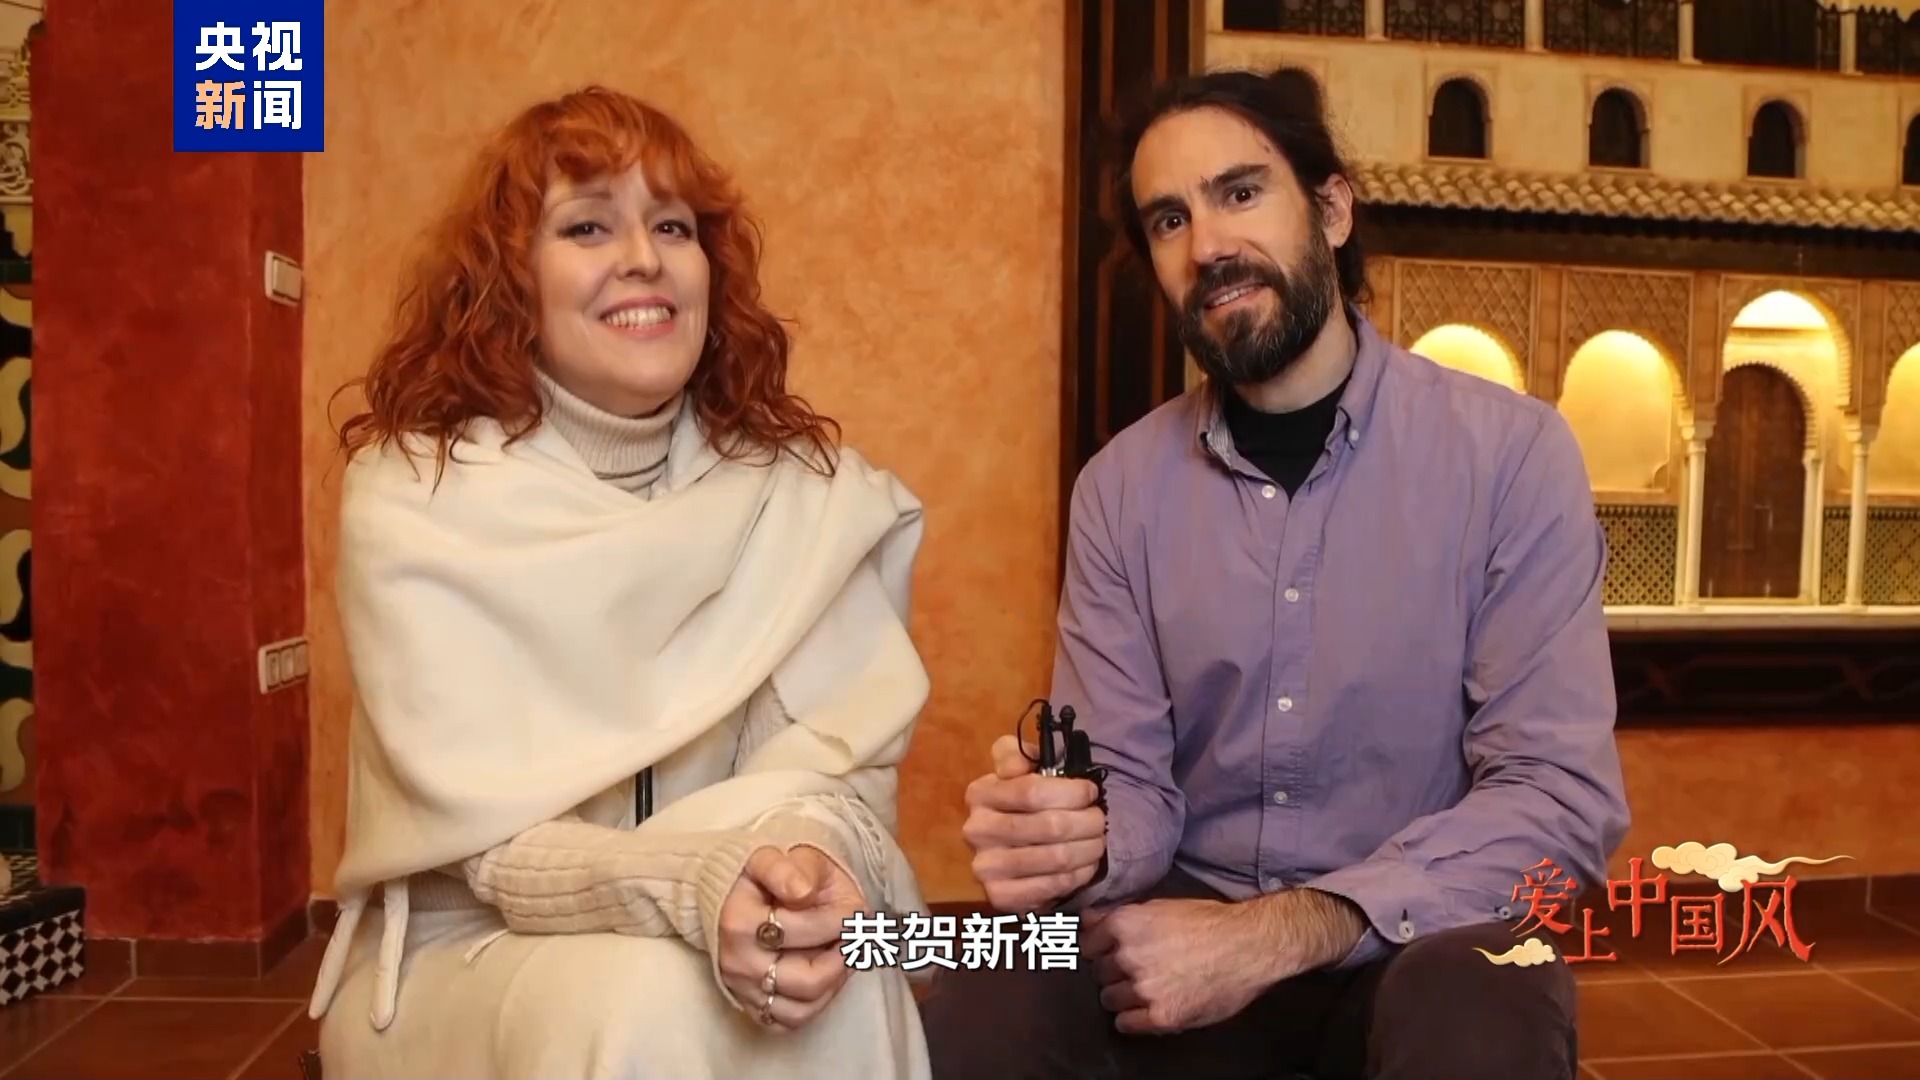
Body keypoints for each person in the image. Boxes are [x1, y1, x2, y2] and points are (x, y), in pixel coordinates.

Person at [919, 67, 1629, 1080]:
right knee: (985, 991)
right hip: (1180, 926)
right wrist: (1079, 837)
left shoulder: (1512, 456)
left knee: (1481, 1000)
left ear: (1331, 210)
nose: (1207, 245)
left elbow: (1557, 799)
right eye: (1170, 219)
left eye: (1241, 192)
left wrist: (1280, 933)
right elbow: (1129, 780)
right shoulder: (1119, 490)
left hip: (1415, 938)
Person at [306, 86, 933, 1080]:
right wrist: (692, 885)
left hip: (718, 911)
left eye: (673, 227)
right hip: (466, 948)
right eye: (588, 226)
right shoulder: (415, 498)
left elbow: (829, 782)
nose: (644, 257)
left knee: (841, 975)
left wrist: (801, 875)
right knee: (647, 997)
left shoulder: (800, 500)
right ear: (512, 278)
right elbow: (488, 852)